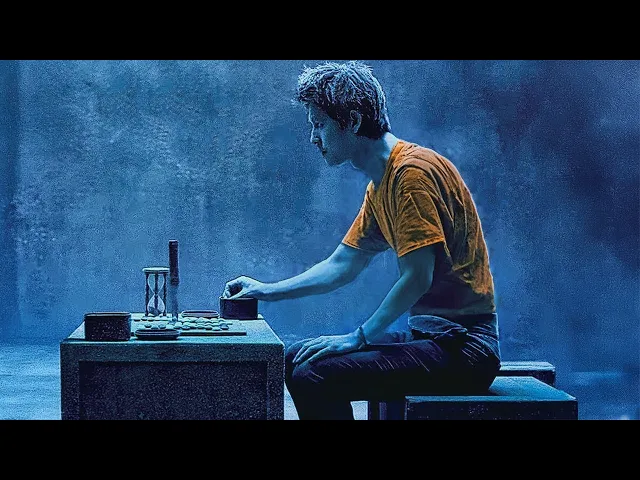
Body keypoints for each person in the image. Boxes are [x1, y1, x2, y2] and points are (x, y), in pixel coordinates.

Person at [222, 60, 501, 420]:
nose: (313, 138)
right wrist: (265, 290)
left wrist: (359, 337)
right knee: (296, 358)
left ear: (352, 122)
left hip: (466, 348)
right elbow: (342, 265)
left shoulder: (411, 176)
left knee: (314, 375)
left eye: (319, 124)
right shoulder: (382, 185)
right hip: (434, 337)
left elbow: (418, 277)